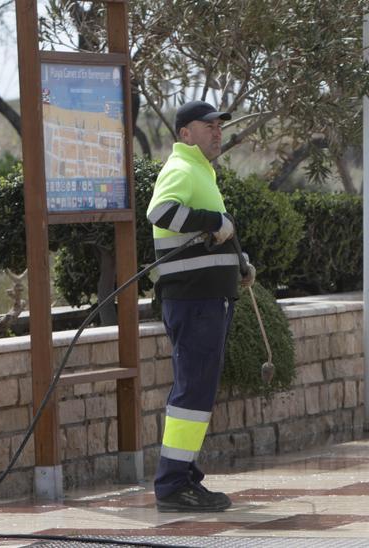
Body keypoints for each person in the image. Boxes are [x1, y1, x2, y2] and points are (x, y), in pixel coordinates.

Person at [146, 100, 256, 512]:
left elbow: (203, 240)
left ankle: (184, 477)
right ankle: (173, 484)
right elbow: (160, 212)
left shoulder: (201, 172)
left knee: (197, 392)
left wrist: (237, 264)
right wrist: (212, 220)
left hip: (206, 299)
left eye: (220, 126)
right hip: (193, 301)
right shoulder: (181, 168)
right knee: (192, 392)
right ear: (185, 133)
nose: (217, 131)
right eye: (208, 125)